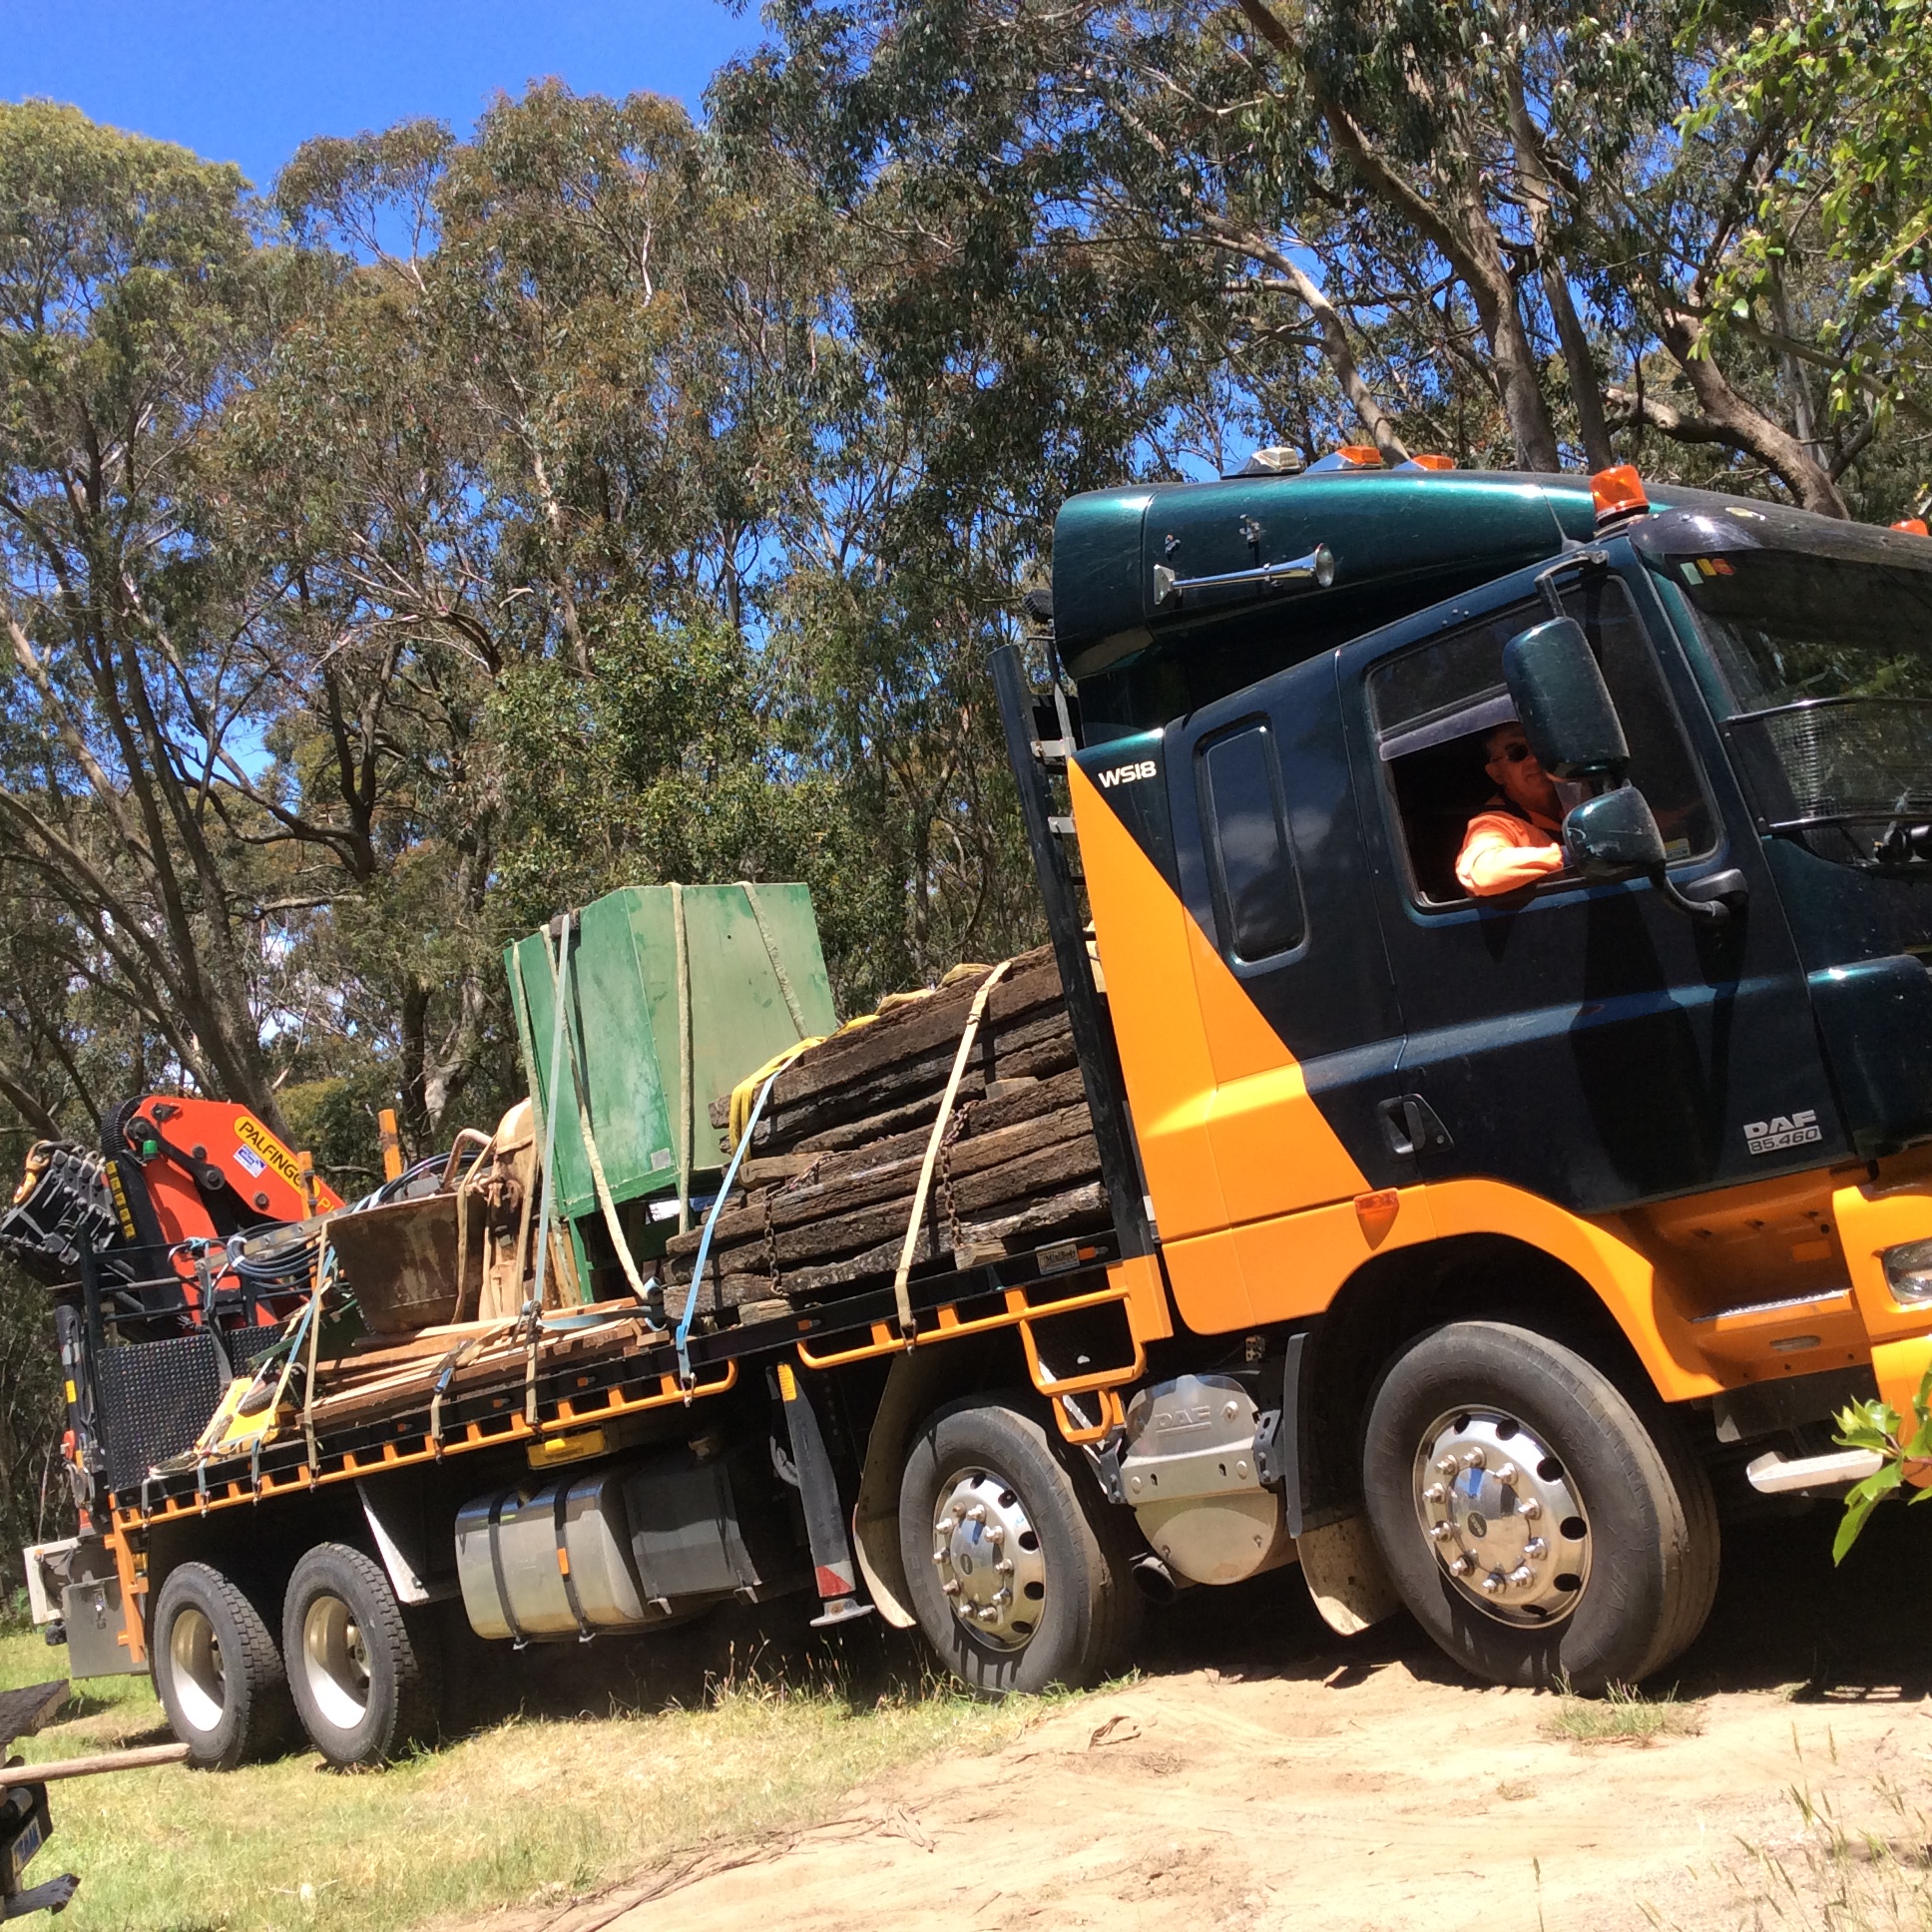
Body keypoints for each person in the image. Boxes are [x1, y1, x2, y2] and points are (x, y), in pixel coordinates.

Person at [1455, 721, 1568, 897]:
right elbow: (1484, 873)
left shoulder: (1580, 797)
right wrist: (1568, 856)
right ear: (1496, 773)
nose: (1534, 759)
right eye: (1516, 752)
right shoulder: (1493, 823)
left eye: (1539, 747)